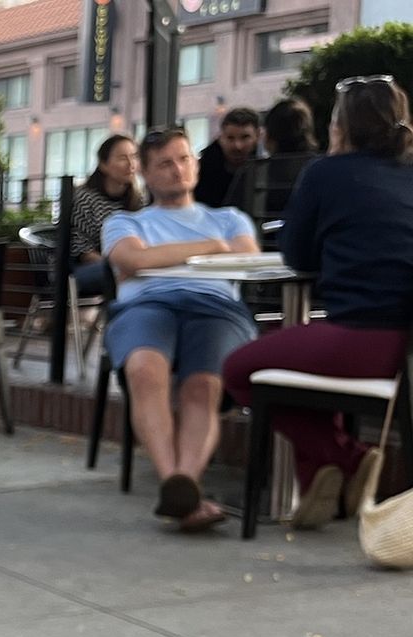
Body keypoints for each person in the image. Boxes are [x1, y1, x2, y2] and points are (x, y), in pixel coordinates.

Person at [224, 77, 413, 528]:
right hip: (407, 347)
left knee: (237, 369)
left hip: (361, 339)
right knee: (304, 369)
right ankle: (318, 487)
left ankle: (347, 458)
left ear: (343, 126)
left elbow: (296, 255)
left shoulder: (326, 173)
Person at [103, 127, 262, 530]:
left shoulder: (228, 218)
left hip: (215, 308)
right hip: (147, 305)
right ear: (146, 174)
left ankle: (182, 486)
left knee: (203, 386)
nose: (178, 169)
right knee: (143, 370)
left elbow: (247, 258)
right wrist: (209, 248)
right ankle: (179, 485)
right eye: (165, 163)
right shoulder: (124, 221)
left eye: (184, 158)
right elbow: (132, 261)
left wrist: (163, 257)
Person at [225, 98, 320, 226]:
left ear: (269, 135)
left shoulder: (254, 174)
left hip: (262, 243)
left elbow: (229, 221)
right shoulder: (323, 170)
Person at [69, 135, 144, 295]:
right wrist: (119, 265)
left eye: (134, 157)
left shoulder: (140, 199)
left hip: (127, 264)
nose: (131, 164)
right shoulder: (85, 199)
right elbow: (82, 250)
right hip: (83, 269)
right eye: (123, 158)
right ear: (103, 165)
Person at [196, 107, 261, 208]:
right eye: (230, 138)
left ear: (257, 136)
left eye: (245, 137)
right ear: (221, 137)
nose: (237, 146)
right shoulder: (198, 173)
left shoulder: (265, 171)